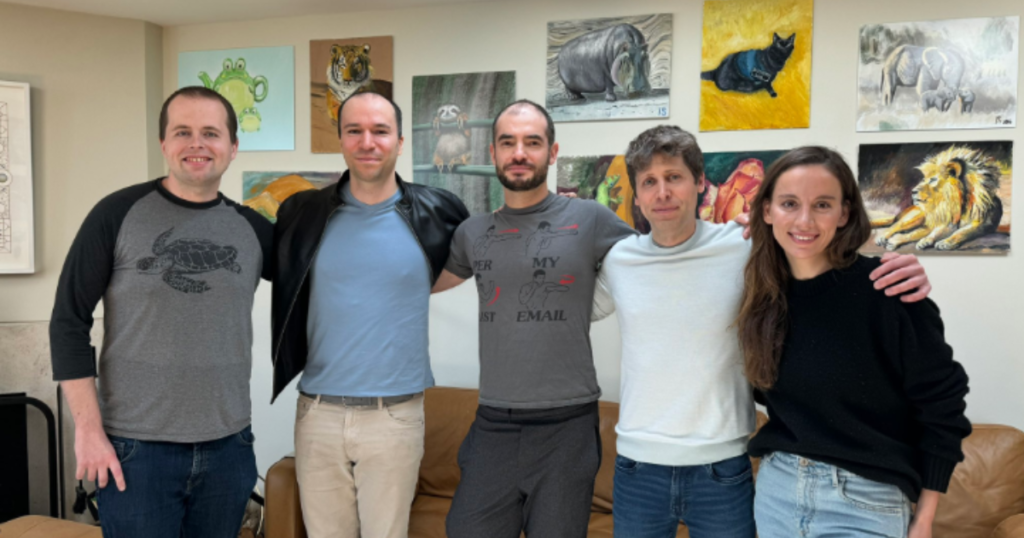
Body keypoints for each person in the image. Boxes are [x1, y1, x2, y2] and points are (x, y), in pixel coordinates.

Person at [592, 127, 934, 538]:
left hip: (722, 468)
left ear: (700, 183)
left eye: (674, 177)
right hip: (636, 467)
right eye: (649, 182)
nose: (662, 192)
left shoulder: (745, 245)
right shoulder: (618, 260)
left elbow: (819, 250)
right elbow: (570, 310)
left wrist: (891, 265)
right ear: (636, 192)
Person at [49, 86, 272, 538]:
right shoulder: (117, 214)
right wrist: (88, 432)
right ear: (164, 144)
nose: (197, 143)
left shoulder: (250, 229)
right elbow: (68, 321)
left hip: (229, 445)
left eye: (211, 132)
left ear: (232, 146)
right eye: (182, 131)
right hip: (136, 449)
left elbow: (323, 279)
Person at [738, 146, 971, 538]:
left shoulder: (889, 290)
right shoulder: (760, 295)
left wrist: (925, 518)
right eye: (789, 203)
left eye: (823, 205)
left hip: (865, 502)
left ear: (844, 213)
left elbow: (943, 409)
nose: (804, 220)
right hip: (776, 493)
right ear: (766, 211)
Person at [431, 99, 636, 538]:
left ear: (553, 151)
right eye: (508, 142)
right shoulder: (471, 233)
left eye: (532, 142)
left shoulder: (591, 219)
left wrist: (729, 237)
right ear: (492, 154)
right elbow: (422, 283)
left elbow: (660, 258)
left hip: (568, 427)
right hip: (493, 425)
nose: (519, 152)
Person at [270, 92, 468, 538]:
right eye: (354, 130)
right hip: (317, 413)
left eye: (380, 131)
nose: (367, 141)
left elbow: (459, 268)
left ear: (400, 141)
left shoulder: (439, 213)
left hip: (394, 416)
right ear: (340, 140)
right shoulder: (303, 213)